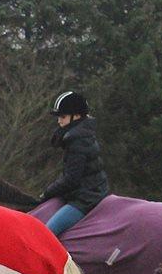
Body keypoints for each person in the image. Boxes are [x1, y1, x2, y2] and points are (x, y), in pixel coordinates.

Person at [38, 91, 110, 236]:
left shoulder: (77, 140)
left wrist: (47, 193)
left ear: (76, 116)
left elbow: (71, 179)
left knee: (46, 233)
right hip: (89, 191)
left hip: (86, 198)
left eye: (63, 117)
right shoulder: (81, 134)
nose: (59, 121)